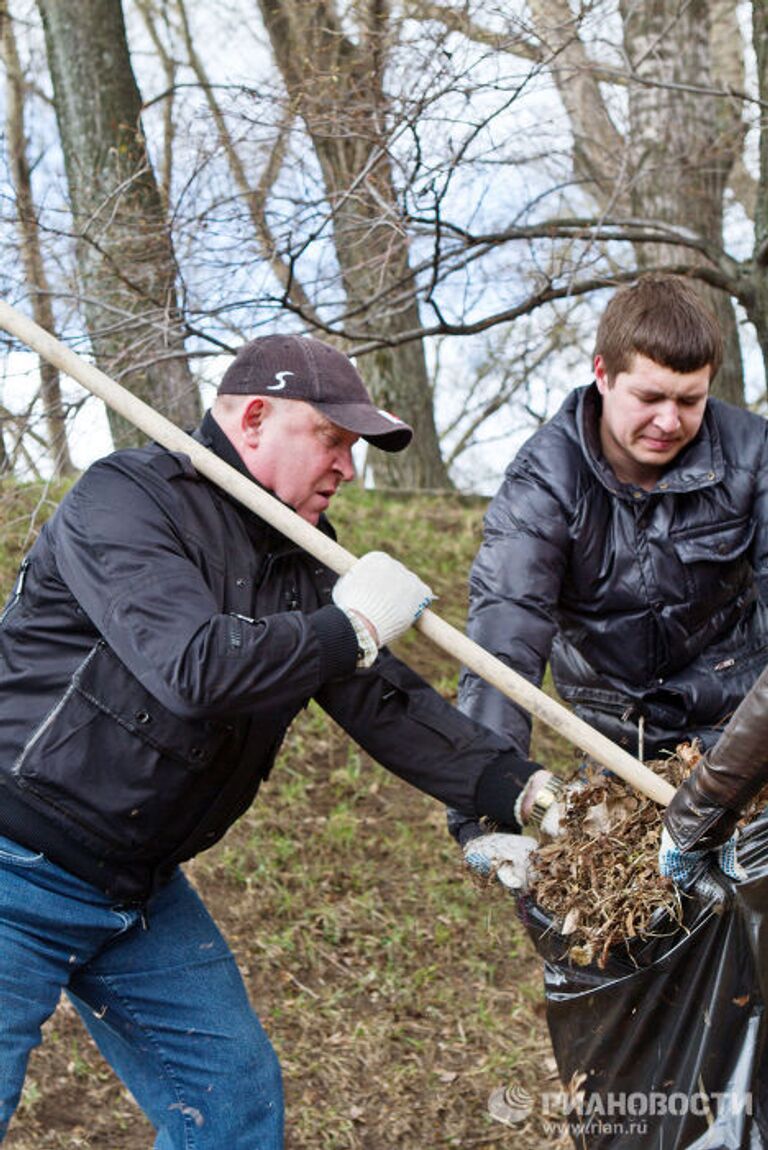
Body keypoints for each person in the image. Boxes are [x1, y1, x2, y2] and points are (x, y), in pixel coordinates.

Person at [0, 333, 542, 1148]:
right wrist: (350, 624)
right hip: (15, 869)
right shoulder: (127, 499)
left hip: (134, 888)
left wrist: (524, 790)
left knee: (234, 1110)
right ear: (254, 417)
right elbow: (195, 666)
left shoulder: (299, 557)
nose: (349, 468)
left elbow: (386, 705)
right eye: (333, 439)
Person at [454, 273, 768, 856]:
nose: (669, 422)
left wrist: (723, 784)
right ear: (603, 375)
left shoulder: (755, 455)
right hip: (617, 752)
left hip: (742, 739)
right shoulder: (543, 482)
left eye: (689, 400)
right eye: (649, 398)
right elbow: (505, 641)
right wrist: (485, 809)